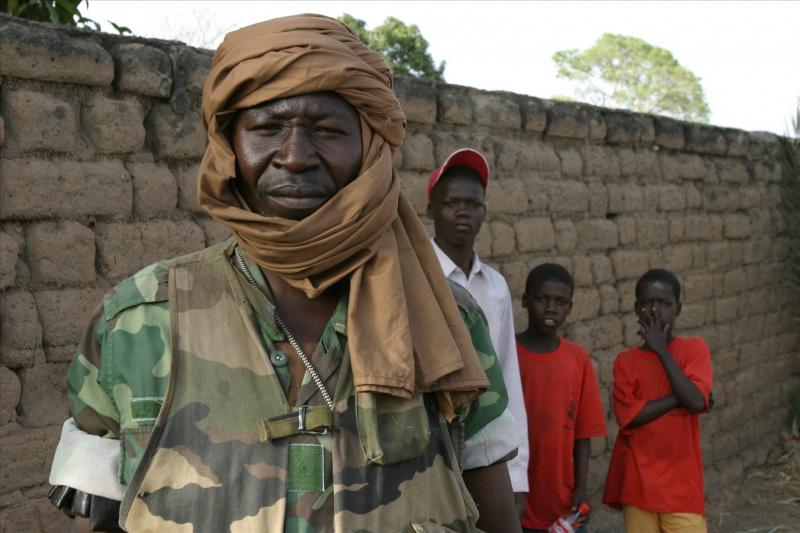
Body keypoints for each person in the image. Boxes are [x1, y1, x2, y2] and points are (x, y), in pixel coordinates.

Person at [47, 15, 522, 533]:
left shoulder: (446, 318)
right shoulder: (137, 319)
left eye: (327, 131)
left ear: (370, 148)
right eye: (267, 128)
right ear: (229, 146)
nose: (295, 157)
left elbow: (494, 504)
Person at [426, 148, 529, 508]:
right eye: (451, 202)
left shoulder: (495, 287)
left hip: (485, 455)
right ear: (431, 211)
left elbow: (507, 378)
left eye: (473, 203)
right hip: (429, 452)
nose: (463, 211)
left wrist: (516, 475)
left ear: (484, 211)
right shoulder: (416, 278)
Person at [603, 268, 713, 533]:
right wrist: (680, 399)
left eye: (664, 303)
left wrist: (662, 350)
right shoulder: (626, 362)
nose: (655, 310)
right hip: (638, 484)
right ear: (636, 308)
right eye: (647, 303)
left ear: (679, 309)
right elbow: (629, 417)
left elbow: (697, 403)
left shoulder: (693, 349)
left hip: (682, 488)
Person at [515, 263, 607, 533]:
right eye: (542, 298)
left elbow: (583, 432)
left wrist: (580, 489)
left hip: (561, 500)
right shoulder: (508, 354)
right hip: (517, 497)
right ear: (525, 300)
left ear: (570, 307)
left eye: (560, 302)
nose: (551, 308)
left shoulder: (578, 359)